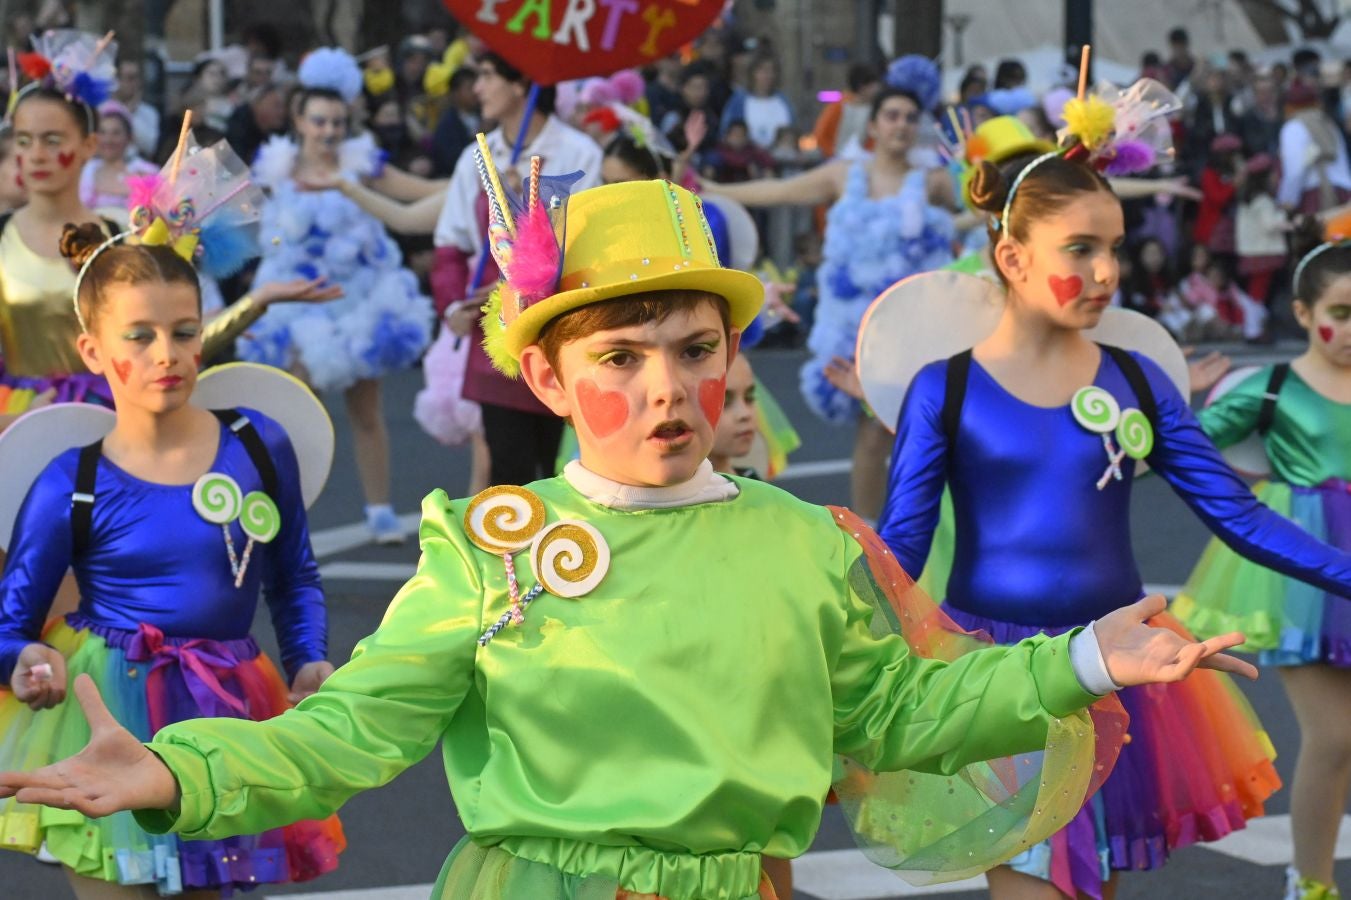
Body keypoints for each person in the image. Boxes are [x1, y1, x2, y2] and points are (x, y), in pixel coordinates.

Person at [0, 177, 1257, 900]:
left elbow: (895, 719)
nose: (666, 389)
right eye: (618, 357)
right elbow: (352, 731)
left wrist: (1083, 657)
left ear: (728, 367)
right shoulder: (489, 541)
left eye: (695, 351)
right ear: (545, 382)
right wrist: (181, 775)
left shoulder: (801, 541)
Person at [871, 111, 1351, 898]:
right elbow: (899, 553)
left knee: (1088, 885)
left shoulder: (1133, 381)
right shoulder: (946, 388)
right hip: (998, 679)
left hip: (1116, 663)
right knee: (1034, 880)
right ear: (1011, 257)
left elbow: (1237, 514)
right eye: (1080, 250)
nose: (1105, 274)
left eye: (1114, 249)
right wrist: (820, 635)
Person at [0, 183, 344, 896]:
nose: (168, 354)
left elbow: (292, 575)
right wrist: (27, 661)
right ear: (92, 350)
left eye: (185, 331)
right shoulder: (74, 479)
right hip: (103, 713)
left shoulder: (256, 443)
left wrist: (308, 658)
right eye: (140, 336)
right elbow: (10, 624)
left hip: (226, 707)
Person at [1174, 227, 1351, 900]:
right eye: (1339, 313)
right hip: (1301, 573)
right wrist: (1177, 396)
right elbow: (1173, 451)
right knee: (1333, 735)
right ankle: (1309, 882)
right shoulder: (1272, 389)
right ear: (1304, 315)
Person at [704, 84, 955, 520]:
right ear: (874, 124)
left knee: (923, 435)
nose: (901, 124)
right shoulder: (845, 174)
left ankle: (919, 533)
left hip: (917, 329)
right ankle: (875, 538)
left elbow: (982, 208)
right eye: (892, 115)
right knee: (873, 433)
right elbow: (782, 191)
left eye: (910, 117)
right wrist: (707, 189)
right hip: (861, 333)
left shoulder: (932, 182)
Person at [236, 48, 434, 544]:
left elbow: (418, 192)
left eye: (338, 123)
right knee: (295, 413)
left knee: (367, 412)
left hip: (358, 303)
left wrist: (483, 173)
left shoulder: (362, 167)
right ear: (299, 120)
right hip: (299, 307)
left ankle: (381, 511)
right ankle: (283, 514)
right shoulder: (275, 169)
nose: (328, 131)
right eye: (319, 121)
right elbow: (236, 221)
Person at [431, 50, 601, 488]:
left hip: (564, 331)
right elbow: (450, 244)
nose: (478, 88)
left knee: (572, 473)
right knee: (509, 478)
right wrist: (453, 305)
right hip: (500, 337)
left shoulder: (579, 151)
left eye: (487, 75)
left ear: (522, 85)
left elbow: (588, 242)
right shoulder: (475, 157)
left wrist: (525, 201)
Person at [78, 101, 158, 220]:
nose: (108, 140)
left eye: (116, 133)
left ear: (129, 137)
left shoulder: (146, 172)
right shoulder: (85, 171)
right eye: (103, 132)